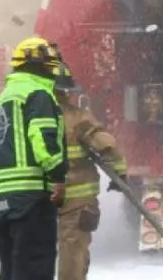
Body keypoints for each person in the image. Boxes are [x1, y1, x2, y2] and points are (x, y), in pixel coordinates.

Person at [0, 36, 69, 280]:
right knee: (34, 268)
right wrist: (58, 177)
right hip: (32, 199)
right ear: (39, 64)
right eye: (51, 64)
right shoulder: (38, 94)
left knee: (11, 270)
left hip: (2, 202)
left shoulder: (2, 100)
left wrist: (0, 193)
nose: (54, 70)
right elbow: (42, 139)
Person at [54, 63, 127, 280]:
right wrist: (120, 171)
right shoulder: (78, 117)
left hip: (35, 195)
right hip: (75, 197)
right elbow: (105, 145)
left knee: (31, 252)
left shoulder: (24, 118)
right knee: (73, 251)